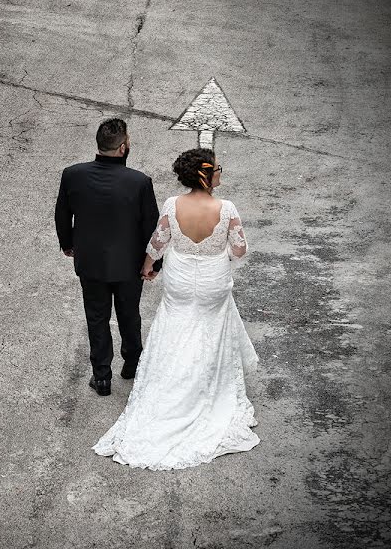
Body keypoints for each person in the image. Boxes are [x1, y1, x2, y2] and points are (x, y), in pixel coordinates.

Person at [92, 148, 259, 470]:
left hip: (180, 280)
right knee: (209, 331)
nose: (221, 172)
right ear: (206, 174)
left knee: (176, 327)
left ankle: (169, 384)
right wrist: (215, 257)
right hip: (212, 281)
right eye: (218, 168)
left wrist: (146, 268)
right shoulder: (226, 208)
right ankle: (202, 389)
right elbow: (239, 250)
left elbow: (157, 243)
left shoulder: (172, 204)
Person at [54, 118, 160, 396]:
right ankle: (132, 363)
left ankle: (102, 377)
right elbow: (151, 225)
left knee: (96, 318)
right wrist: (154, 264)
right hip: (129, 265)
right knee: (129, 315)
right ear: (123, 147)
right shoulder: (139, 182)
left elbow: (63, 214)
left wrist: (67, 244)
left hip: (91, 263)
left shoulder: (72, 175)